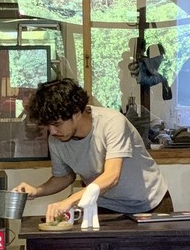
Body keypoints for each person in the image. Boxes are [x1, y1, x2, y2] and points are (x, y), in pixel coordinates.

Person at [15, 78, 172, 223]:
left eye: (57, 124)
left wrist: (69, 201)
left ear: (76, 113)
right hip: (104, 204)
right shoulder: (56, 139)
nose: (53, 131)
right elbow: (64, 176)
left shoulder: (112, 123)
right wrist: (37, 190)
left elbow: (112, 176)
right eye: (47, 126)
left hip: (149, 202)